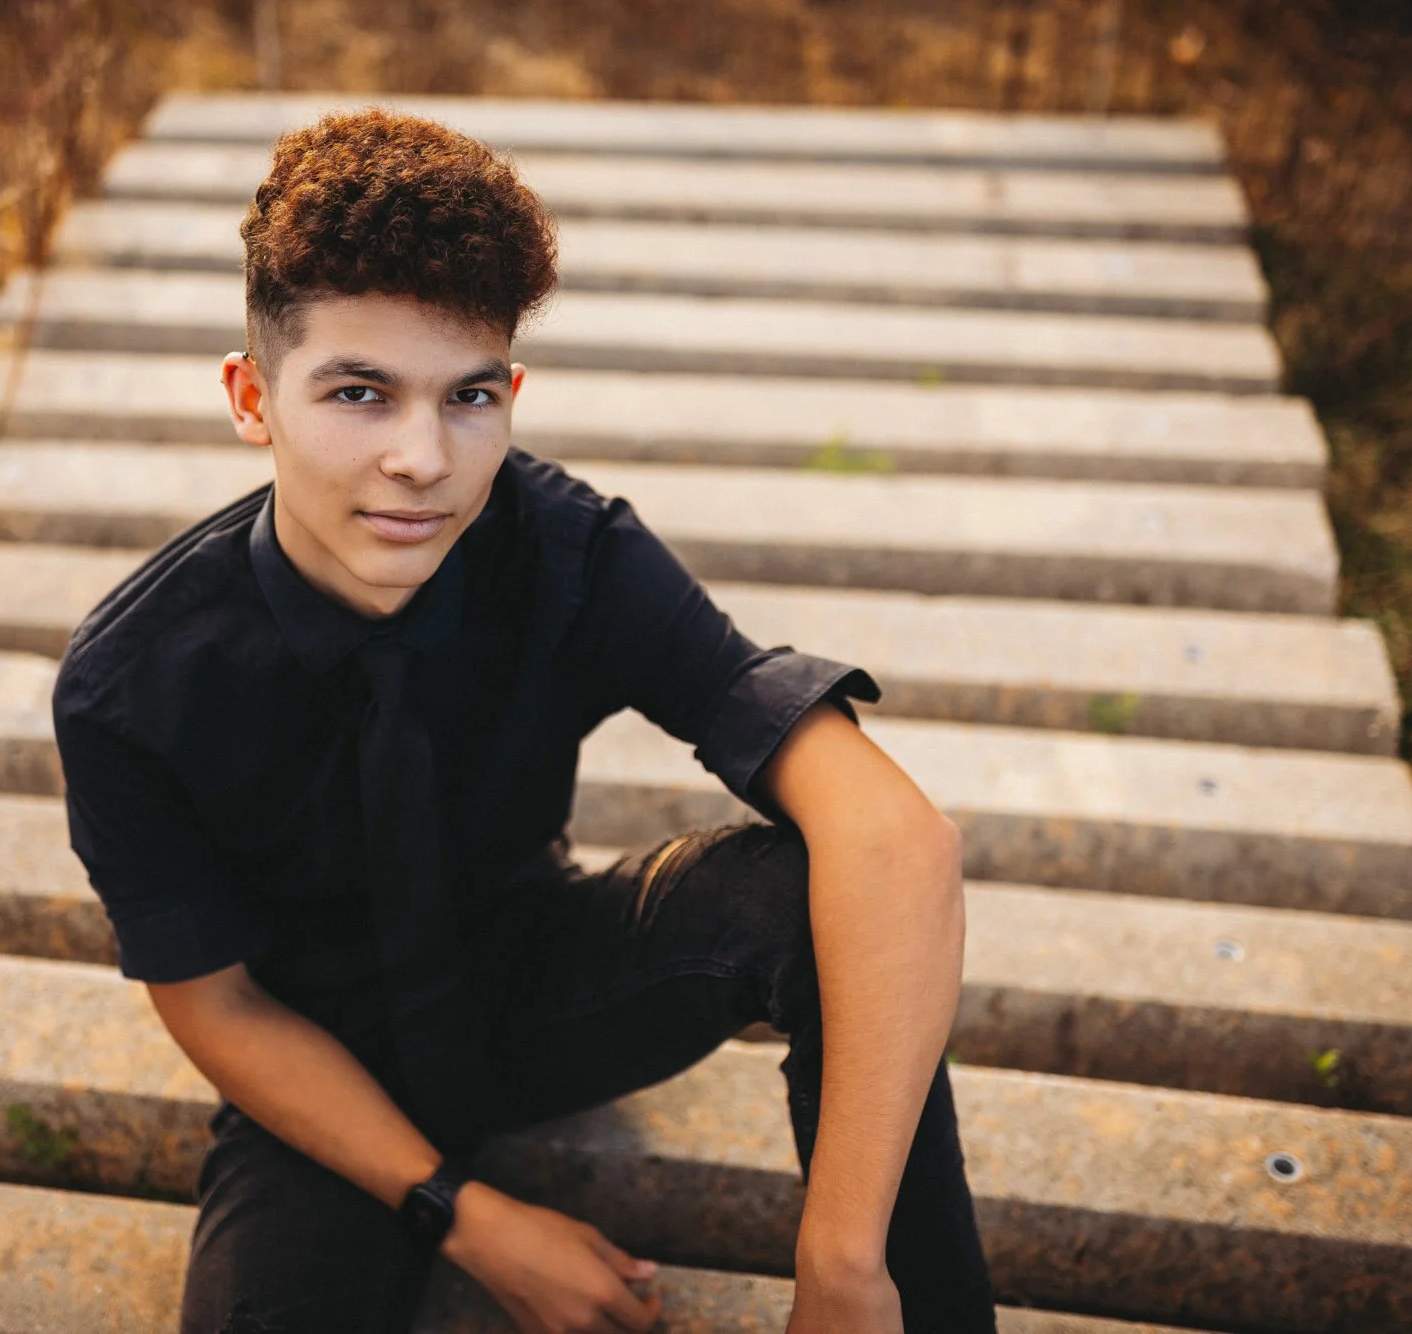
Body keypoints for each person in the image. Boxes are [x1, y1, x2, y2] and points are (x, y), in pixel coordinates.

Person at [50, 106, 996, 1334]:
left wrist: (841, 1262)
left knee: (805, 892)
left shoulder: (564, 546)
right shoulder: (130, 684)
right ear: (250, 396)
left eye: (468, 396)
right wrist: (469, 1215)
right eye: (357, 392)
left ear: (511, 393)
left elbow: (899, 839)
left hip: (534, 973)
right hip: (323, 1054)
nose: (419, 458)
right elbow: (217, 1005)